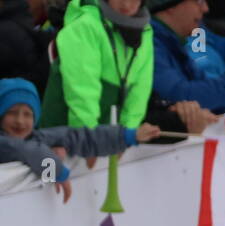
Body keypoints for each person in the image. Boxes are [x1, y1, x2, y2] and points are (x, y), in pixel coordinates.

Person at [0, 76, 160, 201]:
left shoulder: (36, 137)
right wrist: (55, 173)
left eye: (27, 114)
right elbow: (29, 151)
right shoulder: (6, 142)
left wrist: (128, 136)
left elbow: (79, 137)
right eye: (12, 113)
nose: (20, 121)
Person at [40, 0, 154, 132]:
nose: (126, 4)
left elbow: (140, 90)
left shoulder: (145, 31)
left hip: (107, 138)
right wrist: (89, 140)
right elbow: (82, 93)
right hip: (66, 136)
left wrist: (127, 134)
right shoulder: (85, 26)